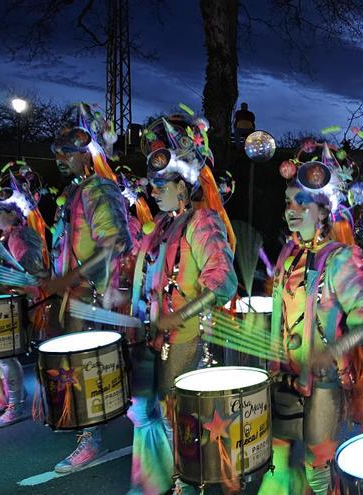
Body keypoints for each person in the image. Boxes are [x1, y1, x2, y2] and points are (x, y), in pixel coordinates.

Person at [258, 142, 363, 495]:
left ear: (323, 210)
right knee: (277, 456)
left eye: (301, 202)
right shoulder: (287, 254)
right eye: (288, 202)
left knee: (317, 468)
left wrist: (332, 352)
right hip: (284, 374)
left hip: (323, 381)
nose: (291, 211)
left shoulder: (340, 259)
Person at [126, 112, 237, 495]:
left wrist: (178, 315)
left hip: (187, 338)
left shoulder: (202, 221)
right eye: (152, 184)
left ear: (183, 185)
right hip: (153, 336)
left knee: (181, 418)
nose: (153, 191)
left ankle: (185, 484)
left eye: (161, 183)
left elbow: (223, 280)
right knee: (145, 410)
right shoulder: (160, 226)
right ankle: (159, 478)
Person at [44, 103, 133, 473]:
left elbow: (114, 242)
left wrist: (72, 278)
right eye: (60, 153)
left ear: (87, 154)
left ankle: (90, 439)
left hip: (97, 298)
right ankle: (91, 428)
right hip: (78, 296)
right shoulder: (76, 191)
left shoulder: (99, 189)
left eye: (69, 152)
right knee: (88, 370)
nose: (62, 159)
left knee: (88, 369)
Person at [0, 167, 49, 427]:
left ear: (14, 213)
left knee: (7, 357)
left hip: (23, 306)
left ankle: (16, 405)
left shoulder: (22, 235)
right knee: (5, 357)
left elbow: (30, 271)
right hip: (9, 305)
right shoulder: (6, 237)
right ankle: (16, 400)